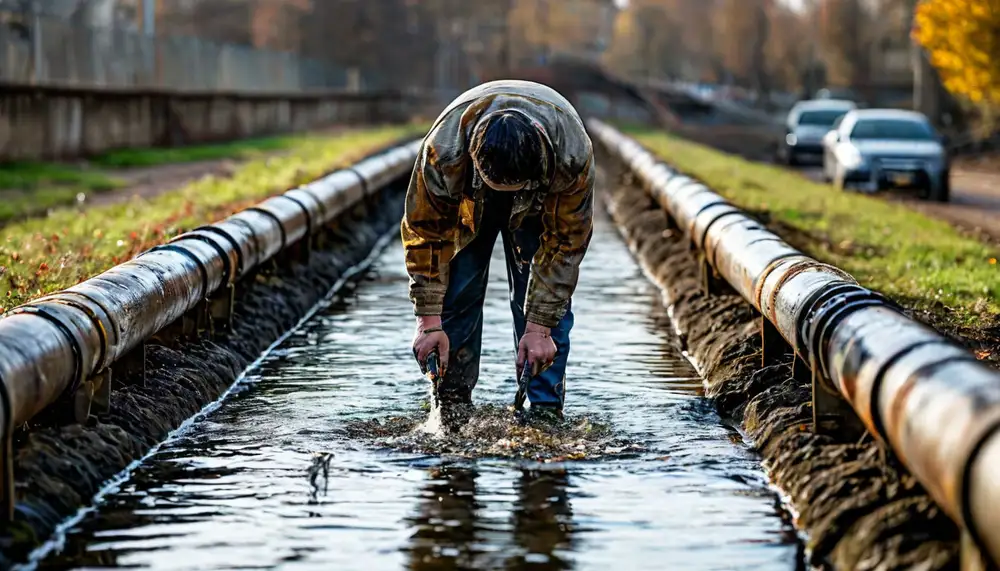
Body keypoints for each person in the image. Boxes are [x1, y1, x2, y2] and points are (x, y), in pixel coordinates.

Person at [402, 79, 595, 422]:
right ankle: (452, 408)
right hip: (468, 199)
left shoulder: (571, 155)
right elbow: (425, 233)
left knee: (547, 316)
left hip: (540, 203)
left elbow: (565, 245)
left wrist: (539, 328)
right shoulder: (443, 153)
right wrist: (428, 321)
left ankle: (544, 415)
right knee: (454, 296)